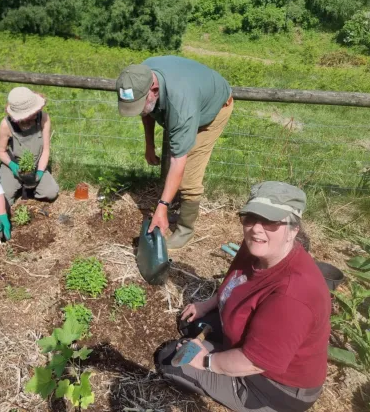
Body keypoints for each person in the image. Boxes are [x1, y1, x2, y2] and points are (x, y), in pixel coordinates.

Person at [155, 181, 331, 412]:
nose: (256, 228)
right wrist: (209, 304)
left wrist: (207, 361)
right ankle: (217, 349)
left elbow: (255, 362)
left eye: (270, 221)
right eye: (250, 217)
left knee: (169, 359)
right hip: (253, 340)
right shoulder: (256, 247)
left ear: (293, 229)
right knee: (190, 324)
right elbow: (235, 283)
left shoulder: (292, 295)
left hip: (275, 385)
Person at [116, 56, 233, 250]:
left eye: (138, 104)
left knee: (188, 175)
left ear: (153, 90)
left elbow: (179, 161)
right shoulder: (139, 76)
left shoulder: (181, 107)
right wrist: (149, 145)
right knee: (175, 161)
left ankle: (185, 229)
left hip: (214, 109)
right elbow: (147, 112)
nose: (137, 111)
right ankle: (172, 206)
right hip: (191, 95)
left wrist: (161, 208)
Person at [0, 87, 59, 206]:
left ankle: (29, 187)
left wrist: (40, 172)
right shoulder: (6, 125)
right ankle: (16, 184)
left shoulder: (43, 118)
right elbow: (1, 151)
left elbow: (45, 150)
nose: (35, 115)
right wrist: (13, 166)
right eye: (32, 114)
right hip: (13, 166)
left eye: (36, 111)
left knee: (51, 192)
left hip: (36, 165)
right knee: (3, 199)